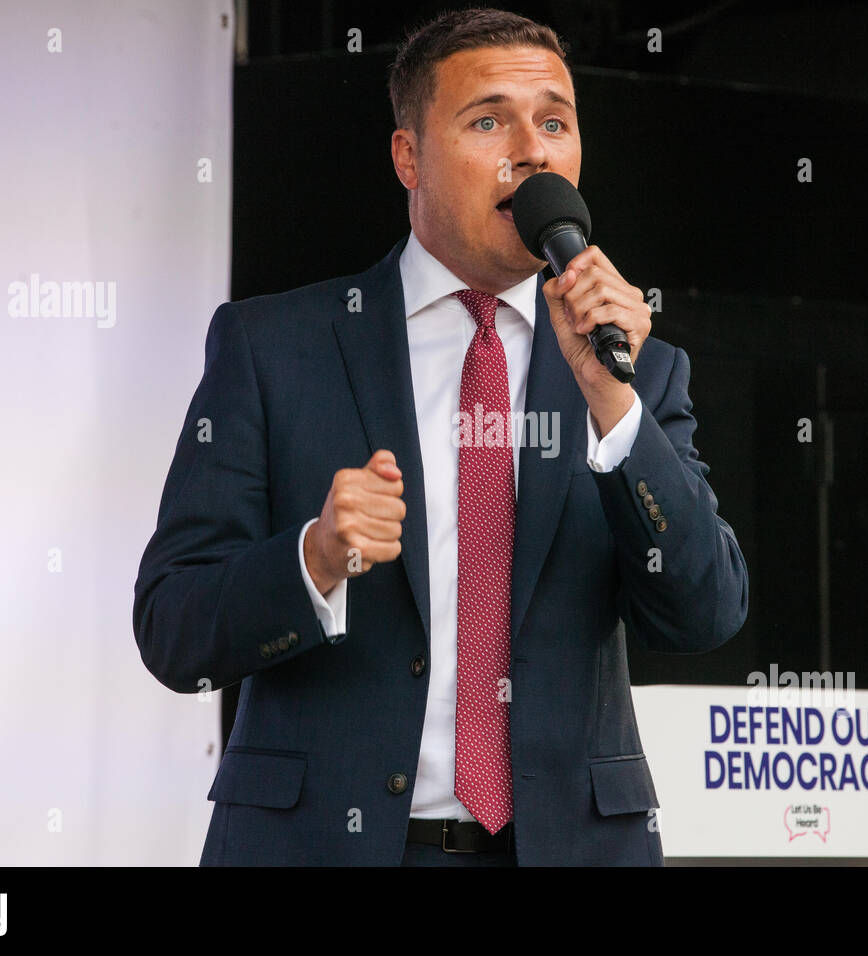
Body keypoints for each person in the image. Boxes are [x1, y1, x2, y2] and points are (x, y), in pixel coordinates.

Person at [132, 7, 748, 867]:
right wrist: (312, 559)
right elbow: (173, 629)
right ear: (408, 157)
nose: (532, 150)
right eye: (489, 120)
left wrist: (613, 404)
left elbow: (705, 611)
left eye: (556, 122)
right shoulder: (276, 347)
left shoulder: (636, 369)